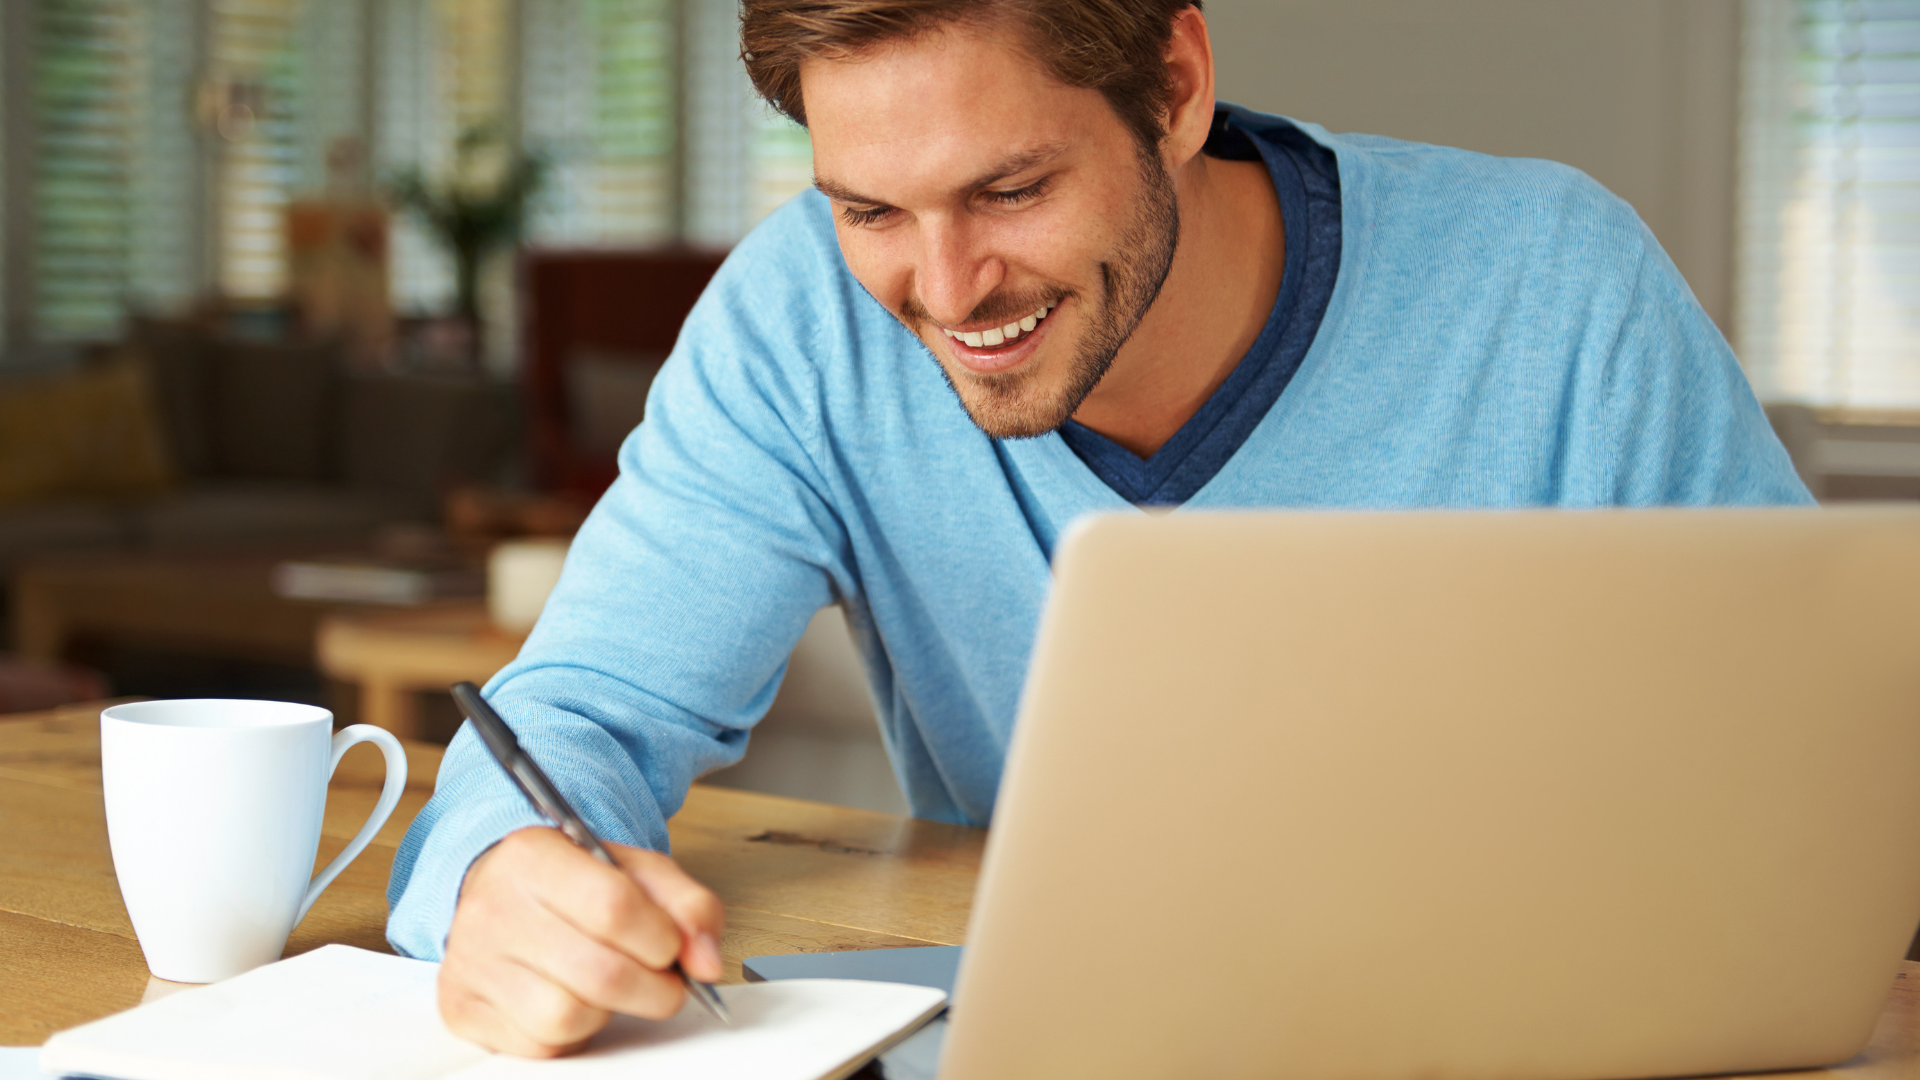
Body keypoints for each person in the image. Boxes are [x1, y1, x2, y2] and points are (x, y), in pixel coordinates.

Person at [388, 0, 1811, 1057]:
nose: (946, 289)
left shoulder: (1557, 288)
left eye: (1011, 189)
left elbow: (1810, 759)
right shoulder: (798, 324)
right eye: (872, 208)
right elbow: (586, 706)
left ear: (1178, 86)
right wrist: (505, 876)